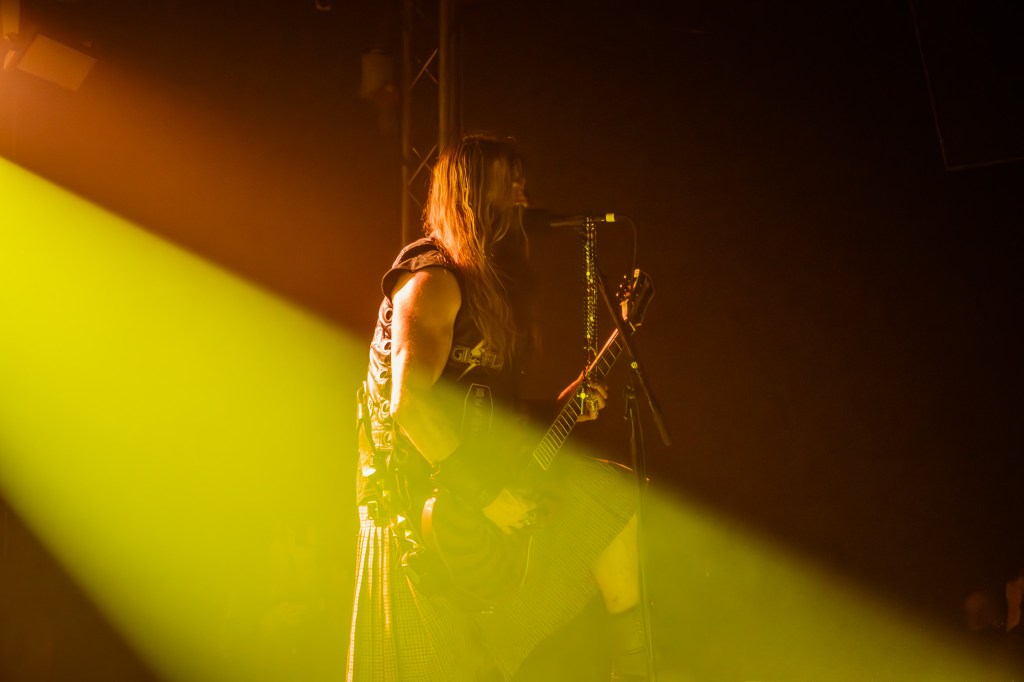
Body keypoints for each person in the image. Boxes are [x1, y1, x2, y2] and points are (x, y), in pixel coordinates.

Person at [345, 133, 649, 681]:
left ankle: (637, 667)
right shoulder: (433, 280)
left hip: (471, 508)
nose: (524, 198)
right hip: (416, 513)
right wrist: (486, 497)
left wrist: (563, 407)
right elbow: (408, 404)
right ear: (473, 198)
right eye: (510, 185)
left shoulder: (486, 294)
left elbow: (483, 417)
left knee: (609, 497)